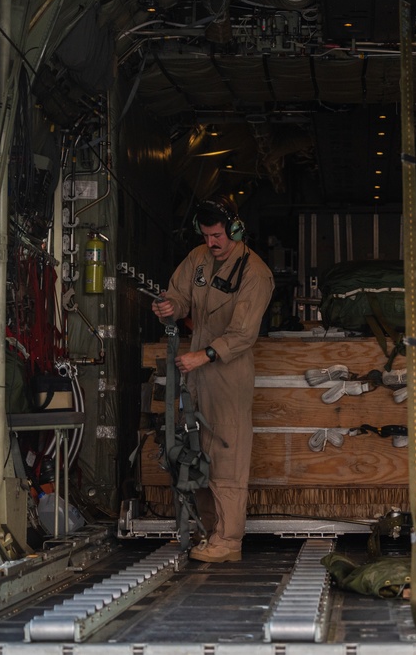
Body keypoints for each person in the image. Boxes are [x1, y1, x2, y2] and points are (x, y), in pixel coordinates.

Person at [152, 196, 274, 562]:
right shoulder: (198, 258)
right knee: (197, 452)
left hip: (227, 372)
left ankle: (230, 540)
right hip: (196, 372)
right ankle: (209, 531)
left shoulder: (255, 273)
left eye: (218, 235)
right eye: (206, 236)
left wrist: (202, 355)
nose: (212, 243)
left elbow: (242, 334)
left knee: (227, 454)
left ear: (235, 230)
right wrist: (170, 306)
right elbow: (179, 295)